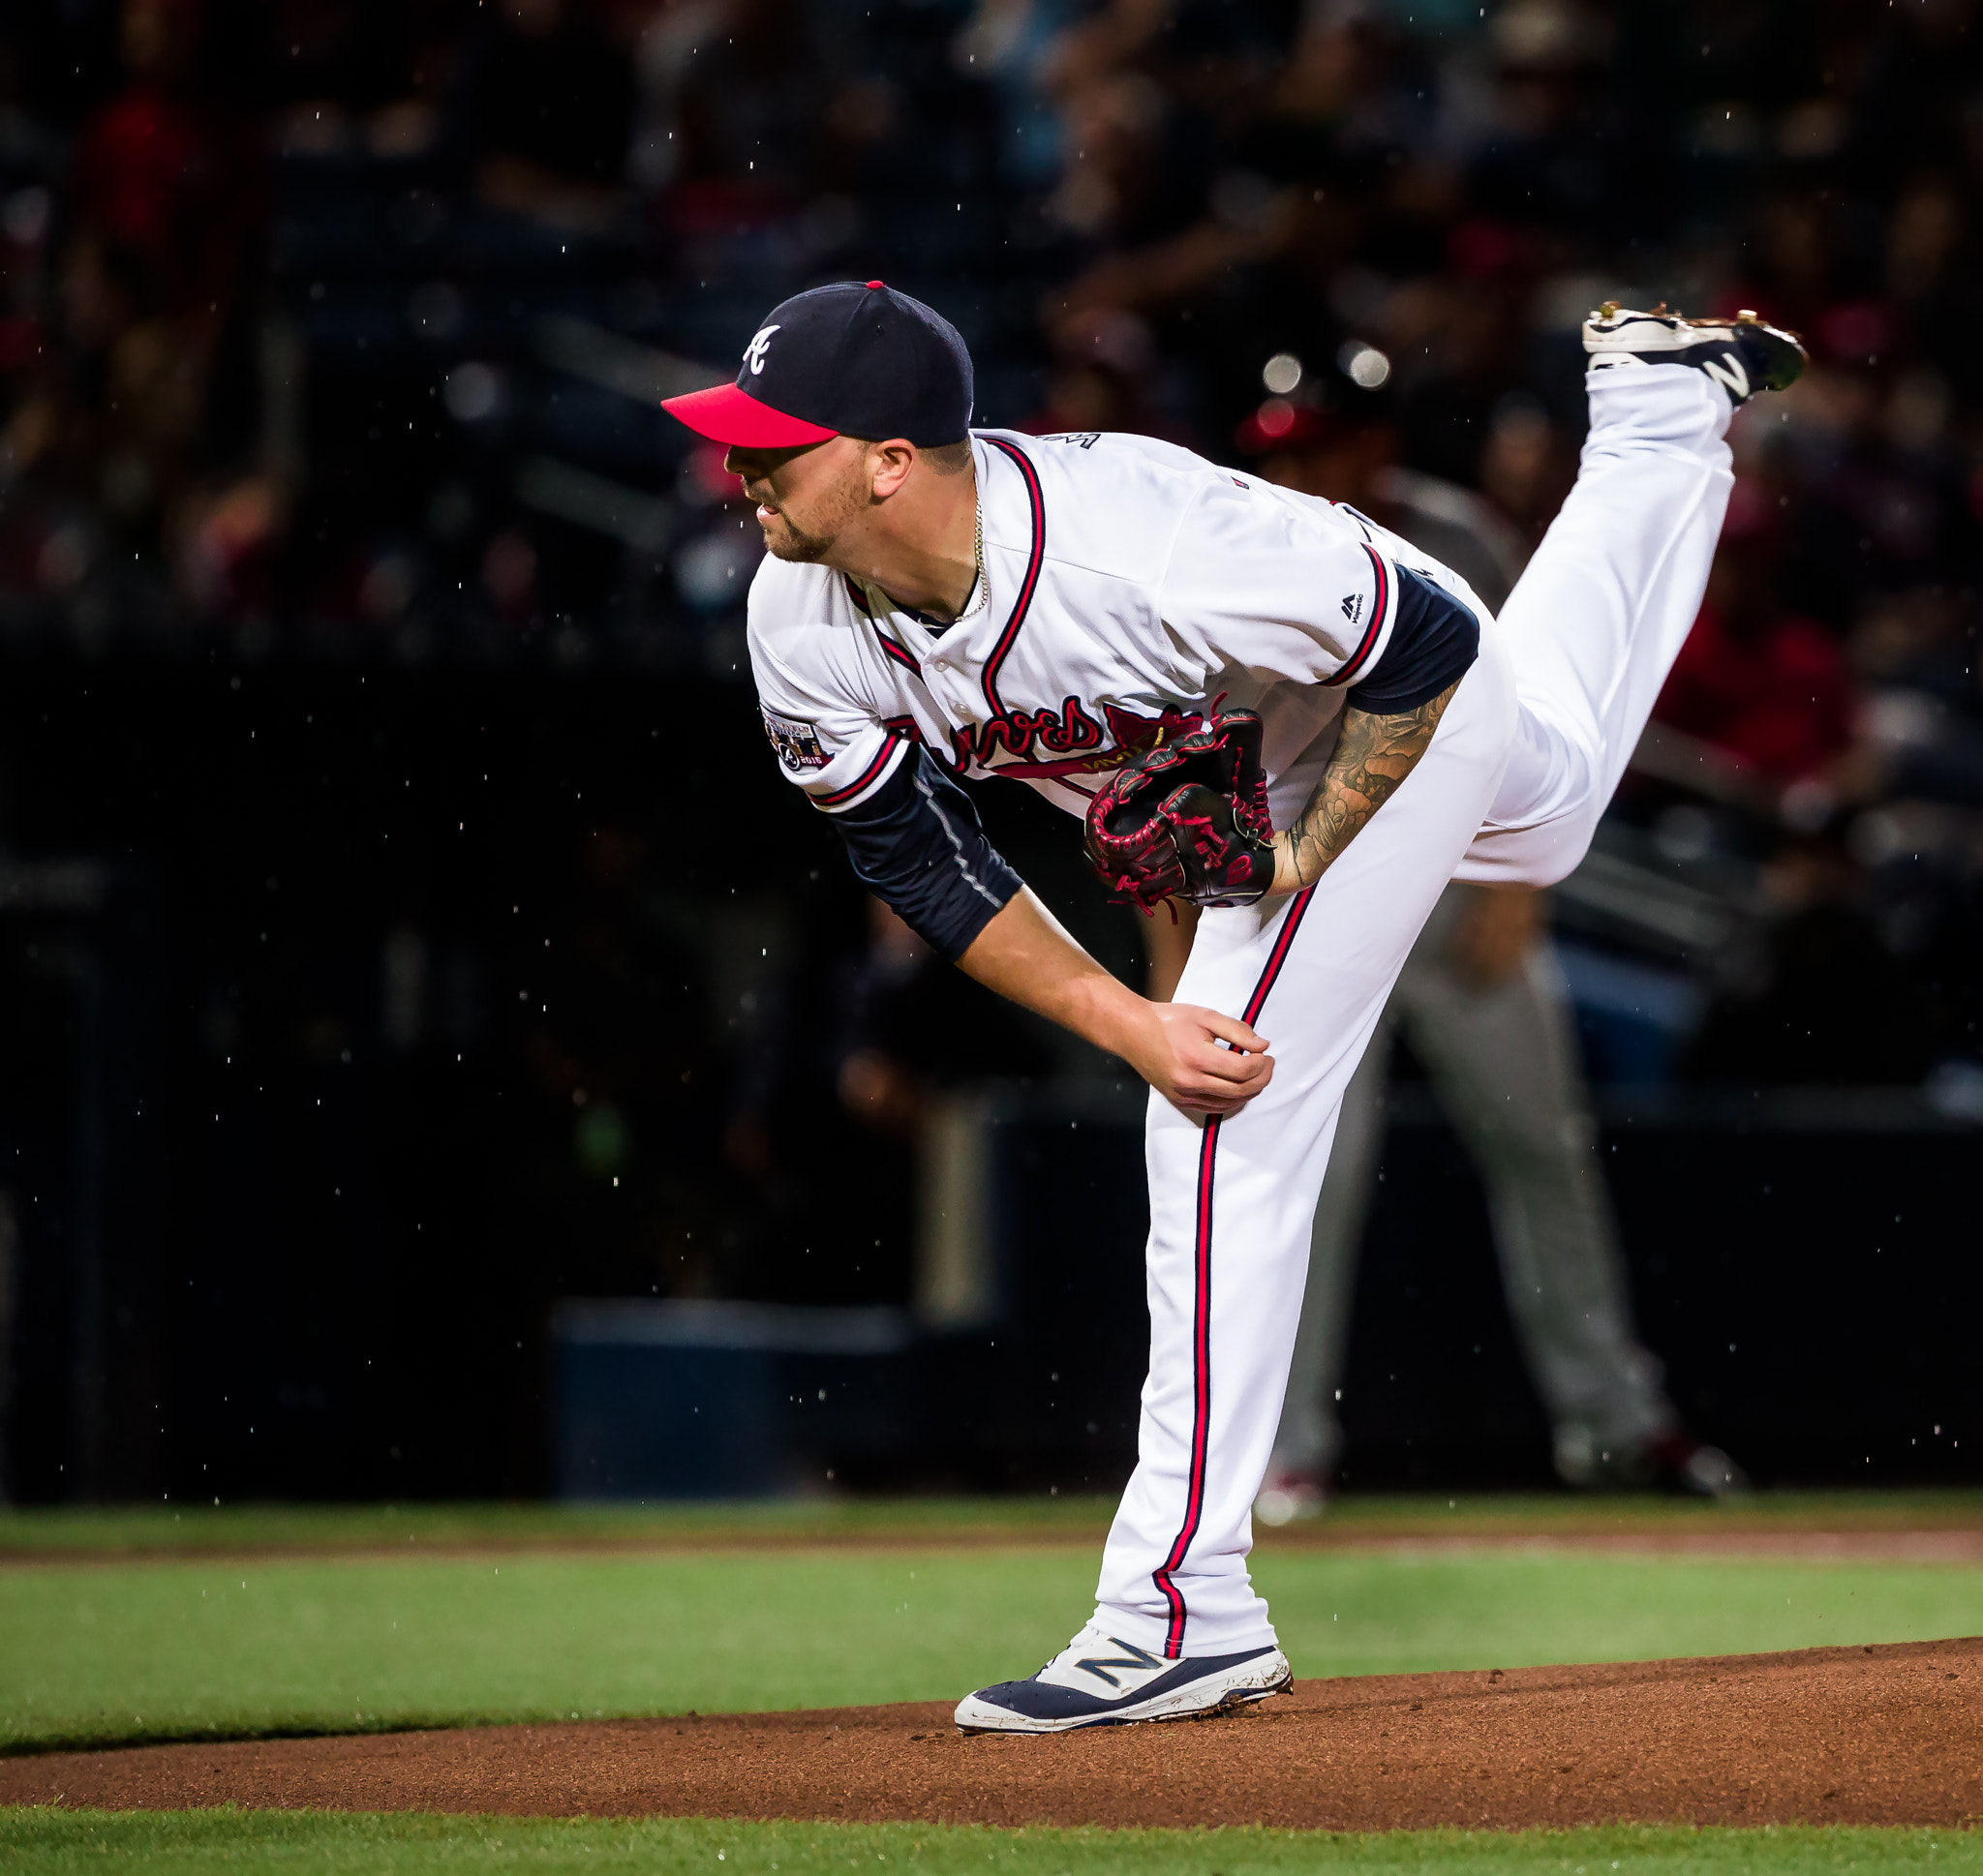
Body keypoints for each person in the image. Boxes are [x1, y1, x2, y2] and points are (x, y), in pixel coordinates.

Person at [659, 282, 1802, 1734]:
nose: (740, 464)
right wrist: (1126, 1020)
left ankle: (1179, 1607)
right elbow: (923, 862)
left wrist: (1296, 857)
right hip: (1292, 734)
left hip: (1391, 683)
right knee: (1558, 797)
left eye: (776, 439)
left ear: (890, 457)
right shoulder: (799, 614)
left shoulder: (1143, 541)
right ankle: (1662, 409)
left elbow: (1431, 651)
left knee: (1221, 1108)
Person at [1139, 396, 1747, 1514]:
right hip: (1294, 904)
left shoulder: (1452, 537)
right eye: (1291, 447)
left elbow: (1557, 708)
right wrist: (1172, 971)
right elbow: (1168, 784)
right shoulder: (1222, 548)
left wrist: (1524, 888)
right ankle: (1279, 1448)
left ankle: (1612, 1422)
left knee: (1542, 1149)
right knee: (1292, 1170)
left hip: (1459, 889)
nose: (1315, 462)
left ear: (1374, 441)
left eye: (1327, 440)